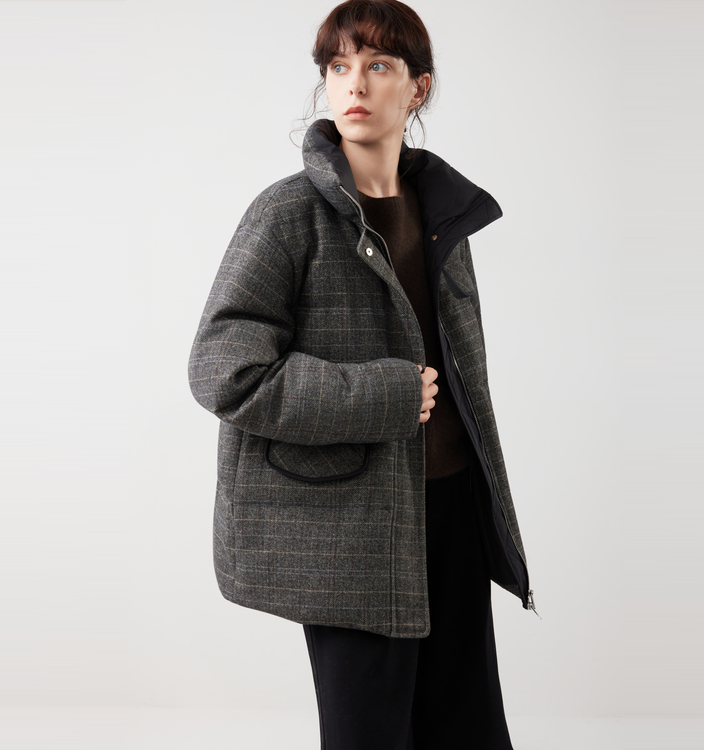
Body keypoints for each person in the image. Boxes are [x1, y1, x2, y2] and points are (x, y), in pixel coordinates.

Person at [188, 1, 537, 747]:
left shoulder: (445, 216)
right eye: (339, 66)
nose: (355, 84)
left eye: (379, 65)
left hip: (451, 509)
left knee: (469, 732)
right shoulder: (287, 216)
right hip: (350, 531)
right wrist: (381, 395)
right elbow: (224, 371)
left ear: (418, 88)